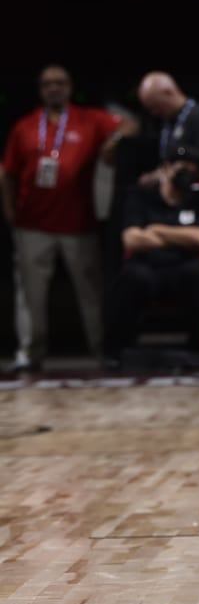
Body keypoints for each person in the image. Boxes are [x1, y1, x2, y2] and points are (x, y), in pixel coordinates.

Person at [1, 65, 135, 373]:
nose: (54, 88)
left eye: (59, 83)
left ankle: (102, 351)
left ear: (70, 87)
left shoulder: (89, 119)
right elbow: (7, 173)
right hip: (32, 224)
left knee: (90, 291)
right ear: (40, 90)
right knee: (30, 294)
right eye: (47, 84)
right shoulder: (24, 127)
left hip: (79, 225)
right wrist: (9, 210)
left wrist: (113, 141)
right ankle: (29, 353)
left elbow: (130, 125)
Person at [102, 146, 199, 368]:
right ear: (166, 168)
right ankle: (117, 351)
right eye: (182, 168)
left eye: (192, 170)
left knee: (195, 275)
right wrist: (180, 237)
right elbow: (131, 240)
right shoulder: (142, 196)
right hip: (148, 265)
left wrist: (155, 229)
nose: (186, 174)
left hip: (181, 266)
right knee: (132, 278)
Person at [136, 72, 199, 182]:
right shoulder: (168, 122)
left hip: (196, 192)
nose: (154, 113)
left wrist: (180, 172)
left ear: (168, 93)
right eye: (151, 109)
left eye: (156, 106)